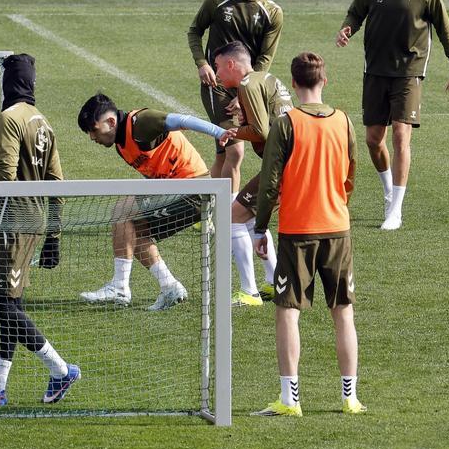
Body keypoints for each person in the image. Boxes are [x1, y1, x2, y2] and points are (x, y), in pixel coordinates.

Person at [0, 54, 80, 407]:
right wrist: (53, 234)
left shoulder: (8, 119)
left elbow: (5, 174)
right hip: (36, 220)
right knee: (13, 303)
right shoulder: (43, 122)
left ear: (8, 84)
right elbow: (57, 182)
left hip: (13, 222)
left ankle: (60, 370)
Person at [250, 52, 363, 416]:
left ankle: (290, 399)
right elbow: (350, 175)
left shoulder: (286, 124)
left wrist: (260, 226)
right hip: (337, 228)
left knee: (288, 313)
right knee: (342, 312)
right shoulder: (343, 121)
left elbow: (269, 184)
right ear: (324, 81)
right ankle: (350, 398)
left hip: (298, 231)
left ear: (294, 84)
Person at [336, 0, 449, 230]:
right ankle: (388, 190)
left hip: (409, 71)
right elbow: (355, 14)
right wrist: (347, 28)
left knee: (400, 135)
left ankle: (396, 209)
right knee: (372, 140)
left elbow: (446, 31)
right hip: (375, 71)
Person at [76, 93, 235, 311]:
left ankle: (120, 287)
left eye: (93, 130)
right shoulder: (122, 146)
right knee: (133, 230)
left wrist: (219, 132)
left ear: (111, 121)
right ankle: (169, 286)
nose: (92, 138)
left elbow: (182, 121)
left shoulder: (140, 122)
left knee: (122, 210)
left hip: (193, 189)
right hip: (177, 192)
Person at [186, 0, 283, 199]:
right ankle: (228, 215)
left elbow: (265, 58)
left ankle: (207, 209)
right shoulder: (217, 1)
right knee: (236, 151)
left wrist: (245, 94)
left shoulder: (272, 12)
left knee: (223, 150)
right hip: (215, 85)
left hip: (247, 87)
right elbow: (195, 31)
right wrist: (202, 63)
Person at [213, 40, 291, 306]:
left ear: (231, 64)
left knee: (232, 215)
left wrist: (235, 132)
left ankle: (249, 292)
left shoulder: (247, 85)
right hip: (291, 162)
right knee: (247, 216)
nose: (218, 74)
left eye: (219, 67)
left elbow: (261, 131)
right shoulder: (266, 79)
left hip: (281, 165)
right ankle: (272, 282)